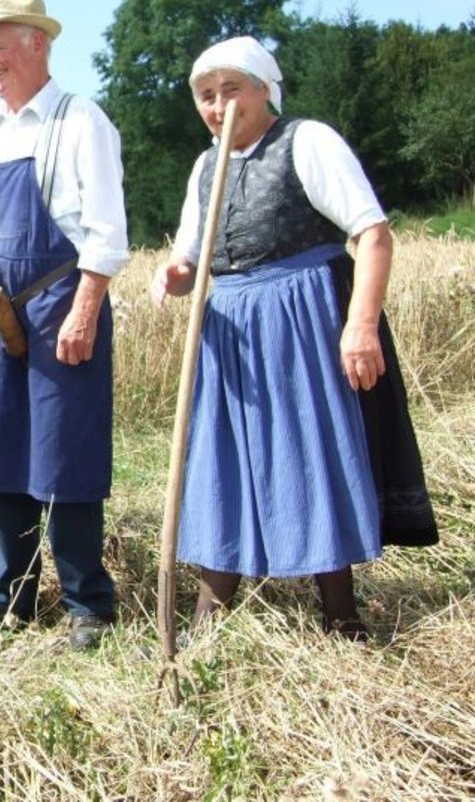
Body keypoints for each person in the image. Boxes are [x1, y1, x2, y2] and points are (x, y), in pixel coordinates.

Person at [150, 36, 436, 640]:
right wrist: (174, 276)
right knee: (225, 460)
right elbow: (189, 259)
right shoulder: (206, 167)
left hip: (303, 319)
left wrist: (360, 326)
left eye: (232, 90)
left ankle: (341, 614)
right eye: (206, 95)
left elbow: (374, 235)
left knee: (311, 452)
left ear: (264, 90)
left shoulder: (307, 141)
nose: (219, 105)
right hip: (230, 332)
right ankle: (209, 617)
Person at [0, 0, 130, 650]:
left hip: (61, 304)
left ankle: (87, 603)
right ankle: (10, 598)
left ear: (38, 44)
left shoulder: (81, 121)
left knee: (66, 451)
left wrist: (85, 310)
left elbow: (107, 232)